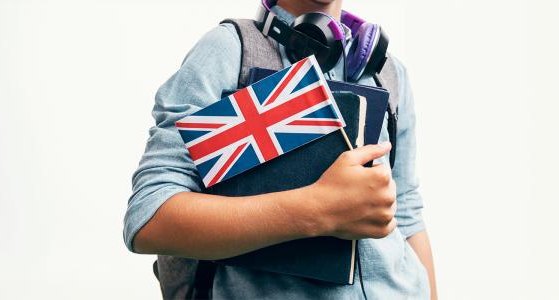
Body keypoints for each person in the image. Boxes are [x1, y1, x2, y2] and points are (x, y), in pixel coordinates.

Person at [124, 0, 437, 299]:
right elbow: (150, 216)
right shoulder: (230, 53)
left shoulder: (388, 71)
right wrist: (316, 210)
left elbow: (407, 211)